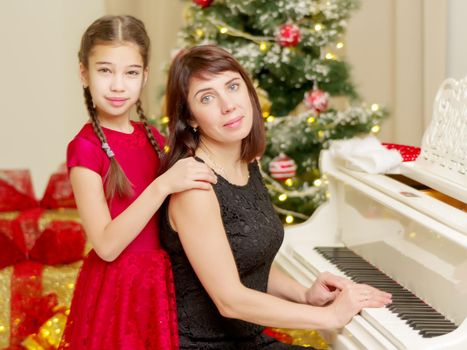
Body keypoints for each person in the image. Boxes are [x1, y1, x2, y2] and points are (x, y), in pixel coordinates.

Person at [159, 45, 392, 350]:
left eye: (232, 86)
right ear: (190, 118)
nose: (228, 105)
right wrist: (329, 316)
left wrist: (304, 294)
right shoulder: (195, 186)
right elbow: (229, 300)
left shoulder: (245, 160)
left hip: (247, 339)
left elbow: (248, 262)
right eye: (207, 97)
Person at [59, 16, 216, 350]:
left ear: (144, 77)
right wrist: (162, 186)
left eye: (130, 72)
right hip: (117, 291)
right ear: (84, 73)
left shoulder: (155, 138)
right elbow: (106, 244)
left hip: (161, 284)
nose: (118, 85)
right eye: (105, 70)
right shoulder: (84, 149)